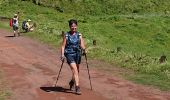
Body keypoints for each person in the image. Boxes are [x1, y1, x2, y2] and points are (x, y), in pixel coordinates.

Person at [61, 19, 86, 95]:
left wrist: (84, 49)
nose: (74, 28)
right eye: (72, 27)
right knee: (75, 69)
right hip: (69, 54)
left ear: (77, 26)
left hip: (77, 54)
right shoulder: (66, 35)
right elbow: (63, 46)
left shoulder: (79, 35)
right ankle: (77, 87)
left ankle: (72, 82)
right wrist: (62, 55)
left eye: (75, 27)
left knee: (76, 71)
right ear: (69, 27)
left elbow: (82, 45)